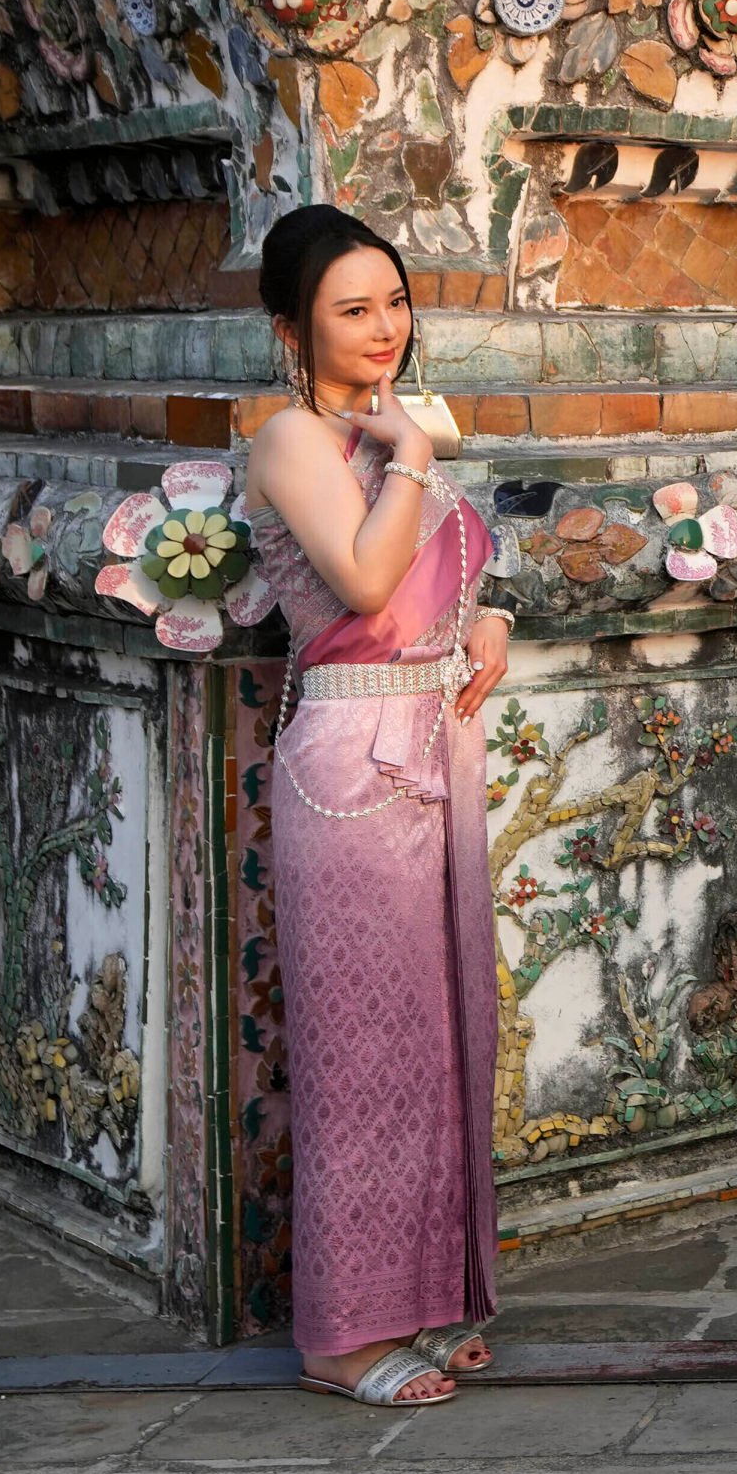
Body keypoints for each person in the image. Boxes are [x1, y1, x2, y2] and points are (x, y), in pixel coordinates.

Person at [242, 204, 513, 1406]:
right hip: (353, 762)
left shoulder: (392, 428)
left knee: (443, 1038)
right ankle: (343, 1335)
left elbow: (447, 569)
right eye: (353, 310)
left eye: (395, 302)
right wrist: (407, 452)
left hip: (435, 749)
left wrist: (490, 616)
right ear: (292, 325)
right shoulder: (296, 436)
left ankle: (429, 1293)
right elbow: (359, 576)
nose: (385, 329)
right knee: (363, 1056)